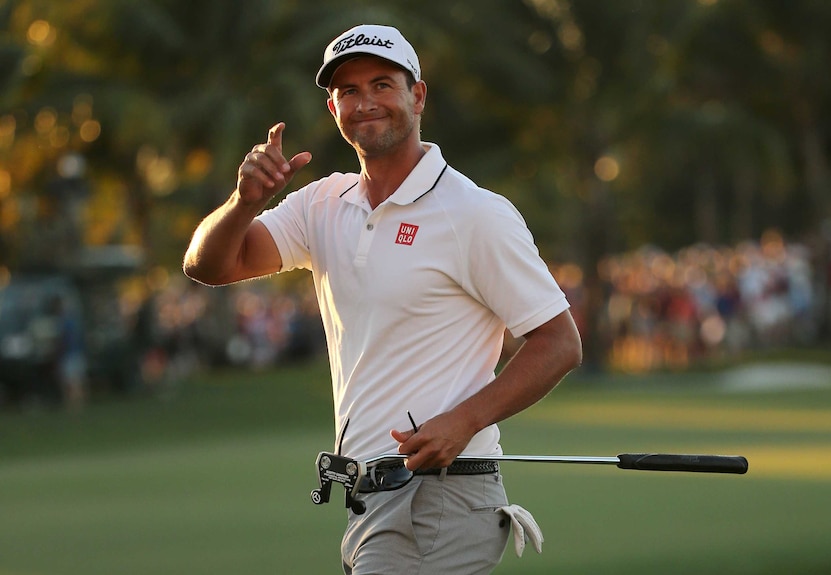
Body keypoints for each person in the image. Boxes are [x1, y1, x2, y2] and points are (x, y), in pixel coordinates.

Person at [183, 24, 582, 574]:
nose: (366, 103)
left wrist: (464, 420)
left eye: (382, 85)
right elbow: (208, 265)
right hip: (371, 499)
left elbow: (559, 342)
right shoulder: (322, 204)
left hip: (441, 497)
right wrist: (243, 202)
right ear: (332, 107)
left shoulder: (474, 212)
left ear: (417, 96)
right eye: (349, 91)